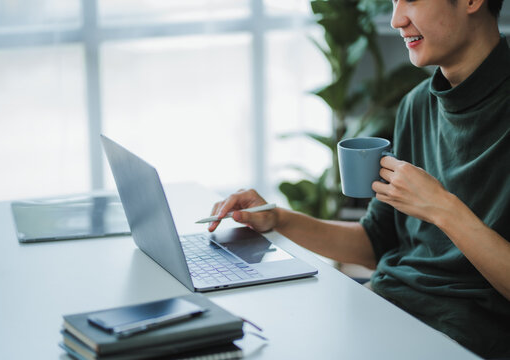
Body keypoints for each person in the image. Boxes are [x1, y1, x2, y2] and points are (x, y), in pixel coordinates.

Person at [207, 0, 510, 358]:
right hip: (384, 310)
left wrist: (442, 208)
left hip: (459, 337)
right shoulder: (417, 105)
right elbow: (374, 243)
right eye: (395, 2)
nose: (397, 19)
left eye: (410, 0)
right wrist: (277, 218)